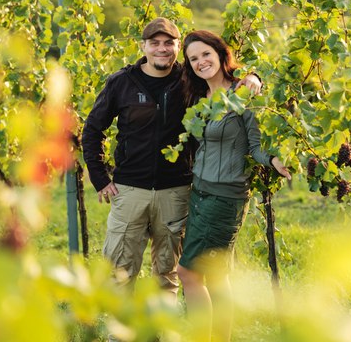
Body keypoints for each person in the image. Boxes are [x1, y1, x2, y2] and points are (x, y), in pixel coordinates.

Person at [81, 18, 262, 298]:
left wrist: (254, 77)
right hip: (130, 190)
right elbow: (93, 128)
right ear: (143, 46)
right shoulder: (122, 82)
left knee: (166, 275)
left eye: (169, 43)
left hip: (176, 192)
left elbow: (226, 83)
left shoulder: (190, 82)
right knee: (119, 271)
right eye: (155, 43)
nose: (162, 49)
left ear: (178, 48)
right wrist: (100, 178)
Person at [176, 30, 291, 341]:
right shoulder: (199, 99)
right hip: (199, 193)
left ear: (220, 54)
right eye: (194, 58)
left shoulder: (242, 93)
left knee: (188, 273)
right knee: (213, 275)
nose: (201, 62)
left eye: (206, 54)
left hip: (224, 197)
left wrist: (275, 161)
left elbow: (255, 146)